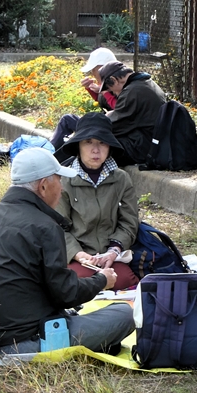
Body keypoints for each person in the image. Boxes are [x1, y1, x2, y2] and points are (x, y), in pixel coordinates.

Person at [0, 147, 135, 355]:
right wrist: (102, 280)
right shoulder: (45, 226)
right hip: (30, 340)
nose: (61, 188)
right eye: (59, 180)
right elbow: (66, 294)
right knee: (125, 314)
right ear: (43, 186)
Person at [56, 112, 140, 291]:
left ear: (109, 147)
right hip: (76, 257)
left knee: (125, 280)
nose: (96, 150)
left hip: (111, 256)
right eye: (88, 142)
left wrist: (114, 250)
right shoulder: (63, 180)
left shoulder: (122, 179)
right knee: (77, 284)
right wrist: (78, 254)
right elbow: (57, 227)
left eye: (102, 142)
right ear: (78, 145)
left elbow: (129, 221)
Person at [98, 60, 167, 166]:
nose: (112, 92)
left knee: (93, 146)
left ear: (114, 80)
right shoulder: (146, 83)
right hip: (152, 141)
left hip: (143, 147)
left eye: (109, 88)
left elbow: (114, 126)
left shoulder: (131, 91)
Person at [49, 48, 118, 152]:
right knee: (67, 120)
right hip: (103, 124)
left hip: (110, 129)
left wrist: (103, 91)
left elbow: (120, 107)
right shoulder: (107, 83)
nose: (93, 74)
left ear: (103, 69)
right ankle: (51, 151)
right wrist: (90, 89)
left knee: (67, 120)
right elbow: (104, 102)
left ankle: (50, 152)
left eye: (94, 70)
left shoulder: (118, 84)